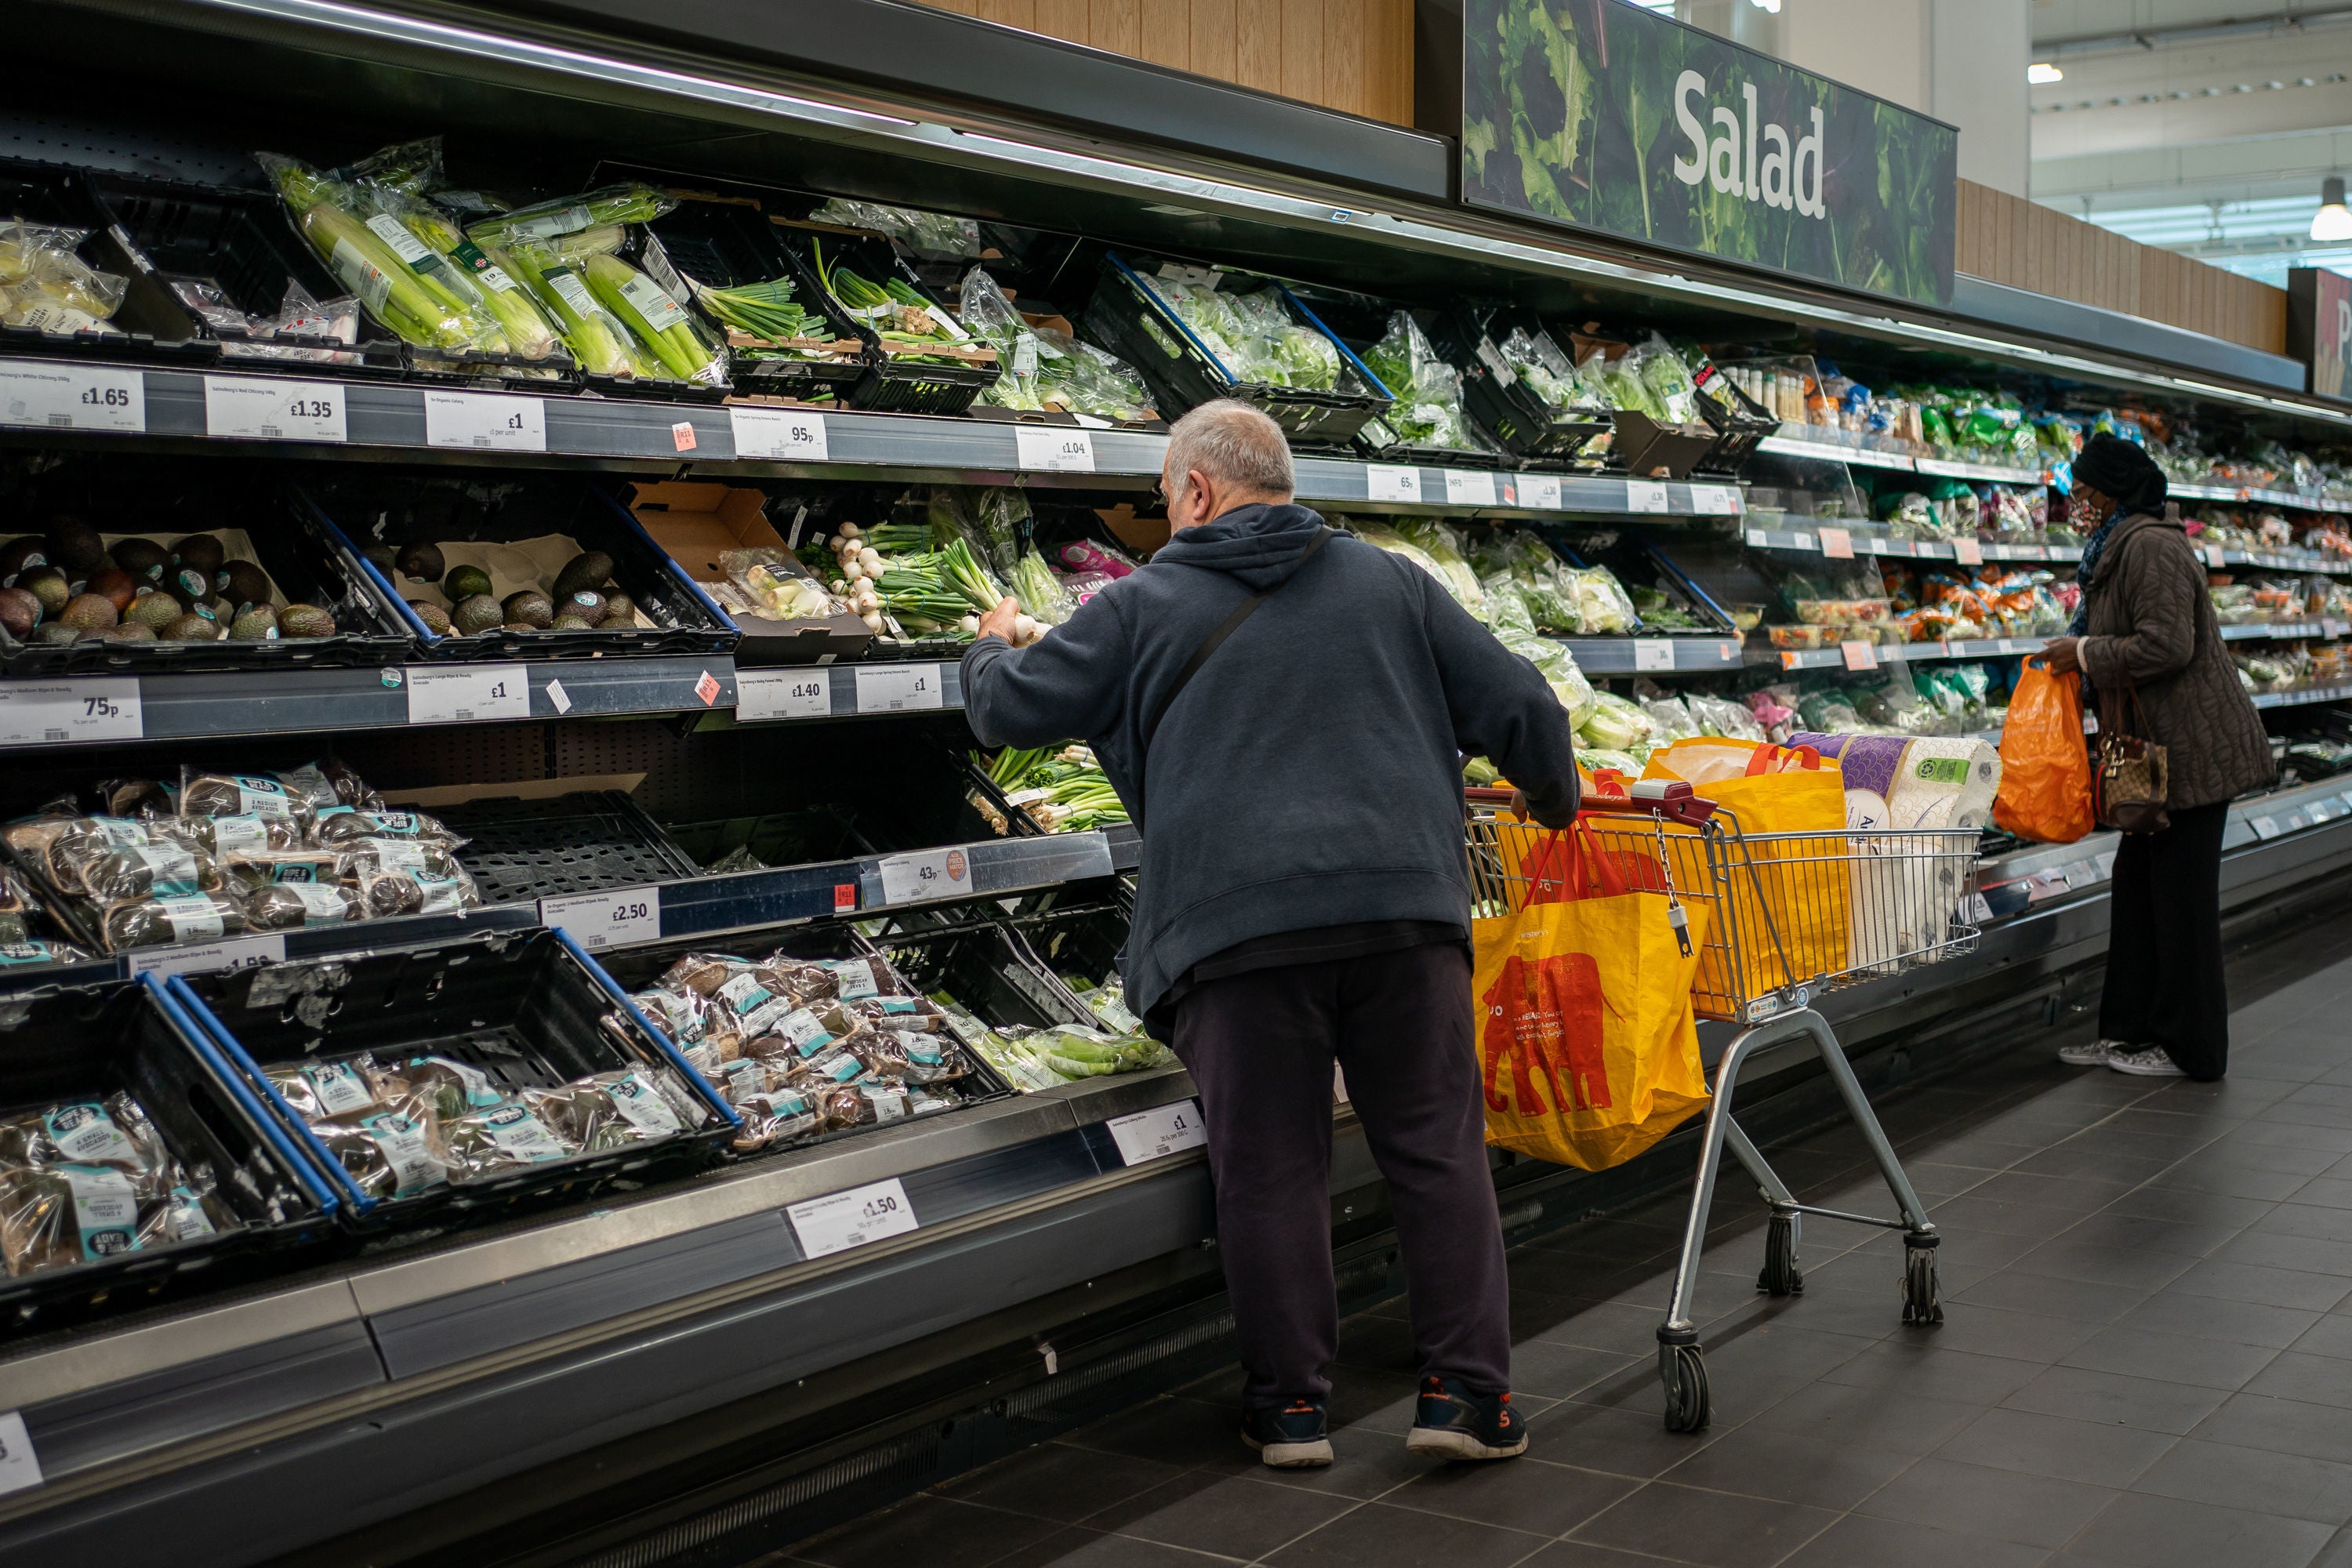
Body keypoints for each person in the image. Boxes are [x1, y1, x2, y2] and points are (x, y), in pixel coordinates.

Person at [960, 399, 1580, 1468]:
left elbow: (1010, 710)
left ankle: (1293, 1411)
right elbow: (1525, 704)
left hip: (1237, 934)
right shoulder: (1394, 582)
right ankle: (1468, 1399)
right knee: (1436, 1152)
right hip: (1402, 919)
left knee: (1271, 1169)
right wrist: (1556, 801)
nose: (1166, 516)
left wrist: (986, 647)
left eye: (1163, 496)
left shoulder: (1140, 603)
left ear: (1197, 491)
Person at [2042, 432, 2272, 1080]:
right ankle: (2128, 1033)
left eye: (2083, 495)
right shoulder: (2115, 547)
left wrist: (2083, 655)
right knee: (2138, 893)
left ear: (2113, 493)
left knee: (2181, 905)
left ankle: (2191, 1049)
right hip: (2145, 751)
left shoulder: (2151, 545)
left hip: (2191, 751)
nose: (2076, 506)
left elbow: (2168, 645)